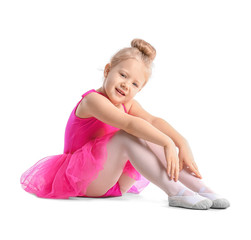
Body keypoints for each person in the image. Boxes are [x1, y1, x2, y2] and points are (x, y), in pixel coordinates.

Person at [20, 38, 230, 210]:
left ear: (140, 89)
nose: (125, 85)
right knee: (128, 134)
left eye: (134, 83)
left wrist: (181, 142)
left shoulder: (128, 103)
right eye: (122, 75)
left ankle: (200, 188)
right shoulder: (93, 100)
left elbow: (153, 121)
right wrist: (167, 143)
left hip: (114, 181)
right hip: (81, 181)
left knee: (149, 130)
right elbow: (128, 123)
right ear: (107, 70)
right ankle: (175, 192)